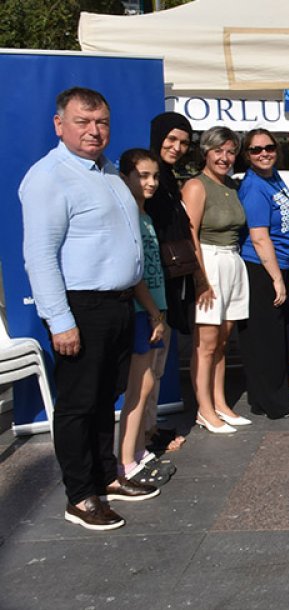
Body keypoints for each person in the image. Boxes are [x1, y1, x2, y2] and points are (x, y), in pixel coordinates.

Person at [20, 87, 159, 531]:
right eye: (83, 122)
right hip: (81, 306)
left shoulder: (109, 171)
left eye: (101, 122)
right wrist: (60, 321)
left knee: (104, 401)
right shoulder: (49, 177)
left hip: (117, 305)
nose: (94, 131)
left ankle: (106, 479)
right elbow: (39, 256)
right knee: (79, 405)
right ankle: (80, 496)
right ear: (60, 125)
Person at [182, 126, 250, 434]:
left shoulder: (232, 186)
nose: (224, 157)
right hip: (209, 261)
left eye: (230, 151)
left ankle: (220, 403)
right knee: (206, 344)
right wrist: (201, 279)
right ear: (205, 152)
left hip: (233, 261)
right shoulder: (196, 186)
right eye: (218, 151)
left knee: (223, 341)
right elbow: (190, 234)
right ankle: (204, 409)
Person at [116, 149, 173, 486]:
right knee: (140, 384)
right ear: (126, 177)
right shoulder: (128, 218)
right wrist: (153, 312)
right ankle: (126, 460)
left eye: (154, 176)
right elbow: (134, 273)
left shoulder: (146, 216)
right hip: (142, 311)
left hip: (155, 309)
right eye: (143, 176)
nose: (150, 183)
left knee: (148, 380)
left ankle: (137, 451)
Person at [236, 128, 289, 420]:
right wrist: (276, 279)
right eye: (256, 150)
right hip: (262, 269)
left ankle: (268, 398)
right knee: (266, 339)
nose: (263, 154)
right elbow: (259, 237)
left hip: (279, 265)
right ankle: (273, 403)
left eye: (269, 147)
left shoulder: (273, 177)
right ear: (246, 155)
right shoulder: (254, 186)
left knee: (277, 335)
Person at [144, 111, 195, 455]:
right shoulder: (148, 179)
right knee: (147, 368)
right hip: (151, 287)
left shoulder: (169, 178)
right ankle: (141, 441)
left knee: (156, 367)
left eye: (184, 142)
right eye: (171, 139)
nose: (177, 147)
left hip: (169, 284)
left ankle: (148, 431)